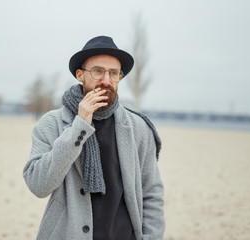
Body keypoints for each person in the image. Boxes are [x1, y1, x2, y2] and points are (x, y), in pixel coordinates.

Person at [23, 35, 165, 240]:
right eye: (98, 71)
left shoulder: (139, 128)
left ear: (120, 78)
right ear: (80, 75)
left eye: (113, 73)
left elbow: (151, 192)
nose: (106, 81)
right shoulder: (52, 123)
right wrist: (79, 126)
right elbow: (38, 185)